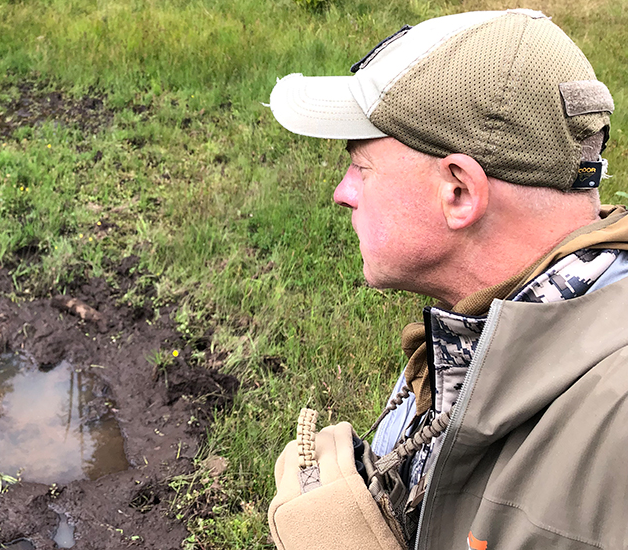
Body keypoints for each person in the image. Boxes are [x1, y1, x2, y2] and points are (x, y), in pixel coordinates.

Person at [266, 8, 628, 550]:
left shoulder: (615, 426)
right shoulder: (479, 326)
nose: (343, 192)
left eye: (360, 166)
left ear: (458, 191)